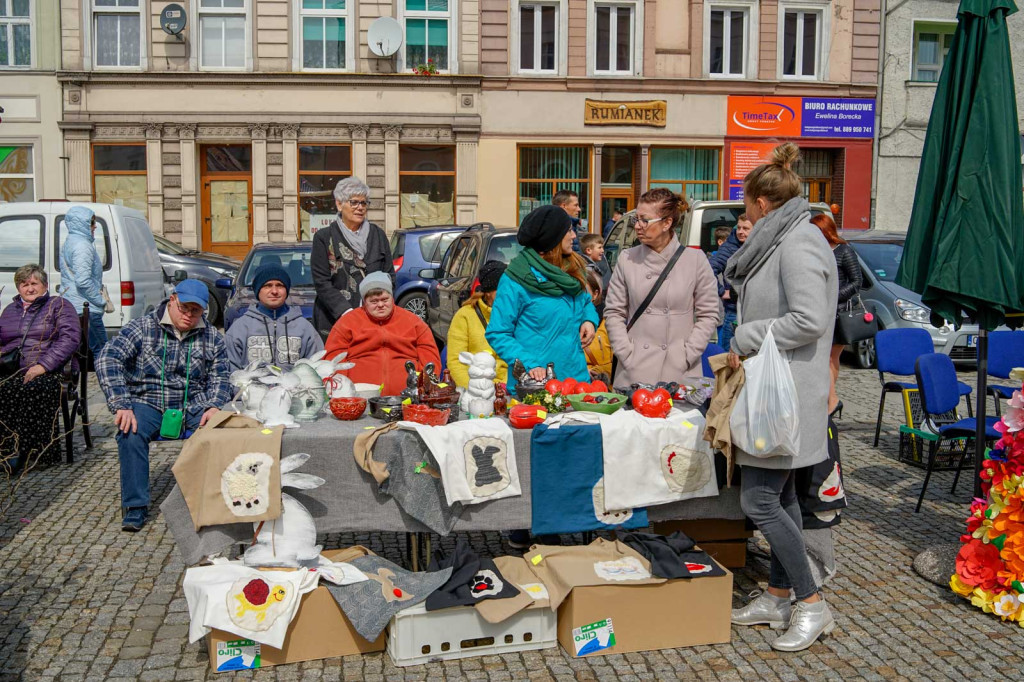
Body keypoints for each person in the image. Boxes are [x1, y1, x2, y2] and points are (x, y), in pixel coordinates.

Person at [725, 143, 838, 652]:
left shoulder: (797, 243)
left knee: (760, 499)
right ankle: (776, 594)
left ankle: (812, 604)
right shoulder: (785, 238)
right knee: (784, 496)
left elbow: (811, 320)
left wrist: (747, 336)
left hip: (785, 396)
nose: (743, 213)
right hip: (779, 391)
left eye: (746, 205)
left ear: (762, 205)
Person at [97, 279, 232, 532]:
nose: (189, 316)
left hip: (194, 404)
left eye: (196, 311)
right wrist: (121, 404)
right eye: (184, 308)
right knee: (130, 431)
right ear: (172, 300)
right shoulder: (142, 327)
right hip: (148, 401)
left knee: (223, 430)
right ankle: (135, 506)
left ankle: (216, 500)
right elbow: (108, 358)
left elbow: (221, 376)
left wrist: (214, 405)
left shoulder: (212, 335)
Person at [604, 188, 719, 386]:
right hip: (635, 370)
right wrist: (626, 353)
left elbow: (709, 314)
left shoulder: (695, 260)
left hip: (679, 370)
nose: (638, 226)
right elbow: (614, 312)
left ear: (667, 223)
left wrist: (687, 354)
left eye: (644, 220)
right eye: (636, 219)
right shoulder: (627, 259)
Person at [486, 205, 598, 395]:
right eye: (568, 231)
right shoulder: (516, 280)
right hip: (536, 386)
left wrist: (589, 319)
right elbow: (498, 333)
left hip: (576, 382)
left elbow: (585, 301)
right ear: (551, 239)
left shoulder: (573, 269)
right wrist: (530, 364)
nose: (573, 236)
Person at [0, 265, 80, 471]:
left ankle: (35, 453)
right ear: (18, 288)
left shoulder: (59, 305)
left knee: (31, 389)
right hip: (13, 370)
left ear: (44, 285)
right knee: (4, 389)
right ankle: (6, 452)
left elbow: (70, 339)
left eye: (34, 283)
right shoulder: (10, 311)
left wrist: (42, 366)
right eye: (24, 284)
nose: (29, 288)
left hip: (51, 370)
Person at [324, 272, 440, 395]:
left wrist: (424, 390)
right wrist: (343, 392)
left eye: (385, 299)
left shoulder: (414, 323)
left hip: (408, 398)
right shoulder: (347, 323)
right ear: (364, 302)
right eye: (374, 301)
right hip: (360, 398)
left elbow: (430, 362)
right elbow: (334, 361)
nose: (380, 305)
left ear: (392, 297)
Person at [311, 177, 394, 340]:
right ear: (339, 204)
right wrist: (347, 312)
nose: (360, 208)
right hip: (335, 319)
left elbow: (390, 275)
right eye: (354, 202)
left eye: (364, 203)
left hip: (374, 320)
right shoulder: (324, 237)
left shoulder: (378, 235)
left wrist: (380, 307)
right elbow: (322, 282)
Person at [225, 263, 323, 372]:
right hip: (251, 388)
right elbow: (229, 370)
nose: (274, 291)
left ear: (286, 290)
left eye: (280, 285)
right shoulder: (241, 328)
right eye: (267, 285)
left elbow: (317, 368)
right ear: (258, 290)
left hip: (295, 388)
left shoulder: (304, 328)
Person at [812, 213, 862, 418]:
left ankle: (831, 400)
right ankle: (830, 398)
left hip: (839, 312)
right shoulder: (817, 251)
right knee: (826, 357)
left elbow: (856, 282)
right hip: (822, 310)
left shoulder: (844, 251)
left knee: (829, 357)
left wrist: (834, 297)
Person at [445, 260, 509, 389]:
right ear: (488, 292)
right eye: (501, 289)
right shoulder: (465, 316)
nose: (507, 294)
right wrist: (476, 388)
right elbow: (456, 362)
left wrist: (505, 387)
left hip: (508, 389)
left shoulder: (515, 315)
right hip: (475, 390)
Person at [58, 205, 107, 357]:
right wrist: (100, 300)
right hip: (86, 307)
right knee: (103, 351)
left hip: (74, 303)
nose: (95, 226)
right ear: (82, 224)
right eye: (91, 223)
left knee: (80, 353)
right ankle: (107, 380)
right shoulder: (82, 246)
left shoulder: (70, 242)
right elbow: (83, 281)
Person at [709, 214, 754, 350]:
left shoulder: (760, 246)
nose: (741, 231)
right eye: (739, 228)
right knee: (728, 360)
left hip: (756, 313)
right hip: (734, 312)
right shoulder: (729, 248)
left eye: (746, 228)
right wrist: (723, 292)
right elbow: (708, 270)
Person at [580, 234, 607, 316]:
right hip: (592, 308)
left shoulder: (594, 267)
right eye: (599, 247)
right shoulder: (587, 269)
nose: (602, 250)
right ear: (589, 250)